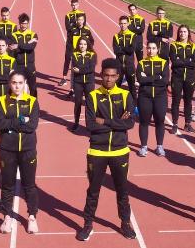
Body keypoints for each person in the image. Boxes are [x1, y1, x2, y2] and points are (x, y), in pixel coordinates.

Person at [76, 58, 136, 241]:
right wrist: (118, 123)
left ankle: (125, 223)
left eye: (112, 76)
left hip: (119, 151)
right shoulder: (93, 96)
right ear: (100, 75)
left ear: (118, 77)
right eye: (105, 76)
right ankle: (88, 225)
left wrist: (106, 121)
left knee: (122, 190)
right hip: (97, 152)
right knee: (93, 191)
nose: (108, 79)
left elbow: (130, 123)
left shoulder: (126, 95)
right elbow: (91, 125)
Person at [0, 72, 40, 234]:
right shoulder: (1, 102)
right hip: (7, 150)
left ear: (25, 83)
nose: (17, 86)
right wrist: (21, 120)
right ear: (9, 84)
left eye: (20, 83)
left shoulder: (32, 101)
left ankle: (32, 216)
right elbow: (0, 123)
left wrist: (11, 125)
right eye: (14, 82)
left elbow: (32, 126)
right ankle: (7, 216)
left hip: (28, 150)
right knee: (7, 185)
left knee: (30, 185)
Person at [136, 41, 169, 157]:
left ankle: (159, 146)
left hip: (160, 96)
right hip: (145, 96)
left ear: (157, 50)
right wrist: (157, 77)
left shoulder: (164, 63)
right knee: (144, 122)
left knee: (160, 121)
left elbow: (165, 81)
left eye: (153, 48)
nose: (151, 50)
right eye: (149, 48)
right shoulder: (141, 63)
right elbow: (140, 79)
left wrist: (148, 78)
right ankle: (143, 147)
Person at [169, 24, 195, 134]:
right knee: (176, 101)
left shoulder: (194, 46)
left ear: (188, 33)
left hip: (189, 78)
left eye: (185, 31)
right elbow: (174, 61)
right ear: (178, 33)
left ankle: (187, 124)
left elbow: (194, 62)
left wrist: (181, 60)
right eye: (180, 31)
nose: (182, 33)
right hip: (177, 78)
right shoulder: (173, 45)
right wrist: (187, 61)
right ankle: (175, 124)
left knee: (188, 101)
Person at [60, 14, 94, 94]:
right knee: (73, 73)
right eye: (79, 20)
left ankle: (84, 89)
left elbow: (92, 41)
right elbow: (69, 43)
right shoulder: (72, 30)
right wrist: (72, 53)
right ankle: (72, 89)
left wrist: (88, 49)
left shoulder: (87, 30)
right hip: (75, 55)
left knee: (84, 72)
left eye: (82, 20)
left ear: (84, 20)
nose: (80, 21)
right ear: (76, 20)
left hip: (85, 55)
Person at [70, 37, 97, 132]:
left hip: (89, 82)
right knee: (77, 103)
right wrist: (85, 69)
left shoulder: (92, 55)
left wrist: (81, 70)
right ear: (78, 45)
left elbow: (91, 68)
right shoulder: (74, 54)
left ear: (88, 45)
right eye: (81, 44)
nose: (82, 46)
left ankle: (89, 124)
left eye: (84, 44)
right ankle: (76, 123)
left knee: (89, 104)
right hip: (78, 83)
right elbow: (75, 66)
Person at [10, 13, 38, 97]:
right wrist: (28, 43)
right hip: (19, 66)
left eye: (25, 23)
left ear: (28, 23)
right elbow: (14, 49)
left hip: (30, 66)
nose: (23, 25)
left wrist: (18, 45)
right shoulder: (14, 35)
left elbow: (31, 47)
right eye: (22, 23)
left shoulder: (33, 35)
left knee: (33, 88)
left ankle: (34, 106)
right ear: (19, 23)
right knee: (17, 88)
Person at [60, 0, 85, 86]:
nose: (74, 6)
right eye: (73, 5)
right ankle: (64, 78)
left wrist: (73, 25)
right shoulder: (68, 15)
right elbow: (68, 28)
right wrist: (76, 25)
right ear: (71, 5)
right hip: (70, 41)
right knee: (67, 58)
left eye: (76, 5)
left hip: (80, 41)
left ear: (78, 5)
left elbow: (83, 26)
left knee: (81, 59)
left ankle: (81, 77)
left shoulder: (82, 13)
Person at [113, 16, 137, 100]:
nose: (122, 25)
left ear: (128, 24)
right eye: (121, 23)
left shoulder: (133, 35)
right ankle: (117, 105)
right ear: (119, 24)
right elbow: (116, 51)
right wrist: (125, 48)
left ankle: (135, 106)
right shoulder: (116, 36)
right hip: (119, 66)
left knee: (132, 87)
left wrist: (121, 48)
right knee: (117, 86)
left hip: (129, 66)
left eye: (124, 23)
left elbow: (131, 50)